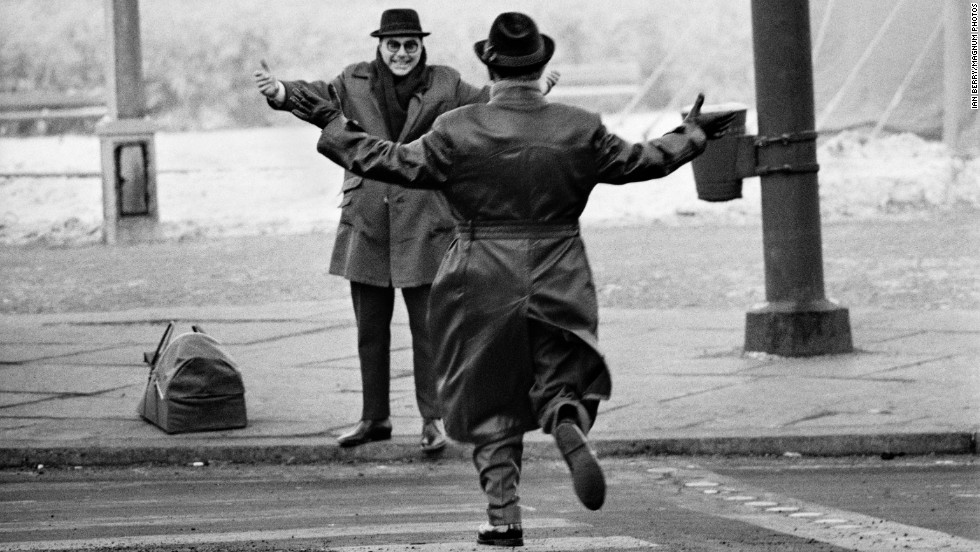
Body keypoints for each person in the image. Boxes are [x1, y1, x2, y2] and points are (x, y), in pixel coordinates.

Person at [289, 12, 735, 547]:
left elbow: (385, 161)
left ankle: (504, 519)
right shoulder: (579, 125)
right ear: (541, 64)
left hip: (479, 268)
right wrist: (692, 133)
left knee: (489, 396)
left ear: (490, 66)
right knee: (560, 371)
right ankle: (564, 416)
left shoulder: (457, 129)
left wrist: (330, 124)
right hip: (559, 264)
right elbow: (643, 161)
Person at [253, 9, 557, 453]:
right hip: (367, 219)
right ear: (379, 46)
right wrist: (280, 91)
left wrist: (529, 91)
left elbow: (487, 101)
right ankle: (373, 418)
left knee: (428, 330)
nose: (401, 53)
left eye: (410, 45)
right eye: (393, 45)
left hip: (426, 220)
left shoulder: (446, 83)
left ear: (422, 47)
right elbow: (315, 97)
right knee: (369, 331)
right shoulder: (352, 81)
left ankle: (432, 421)